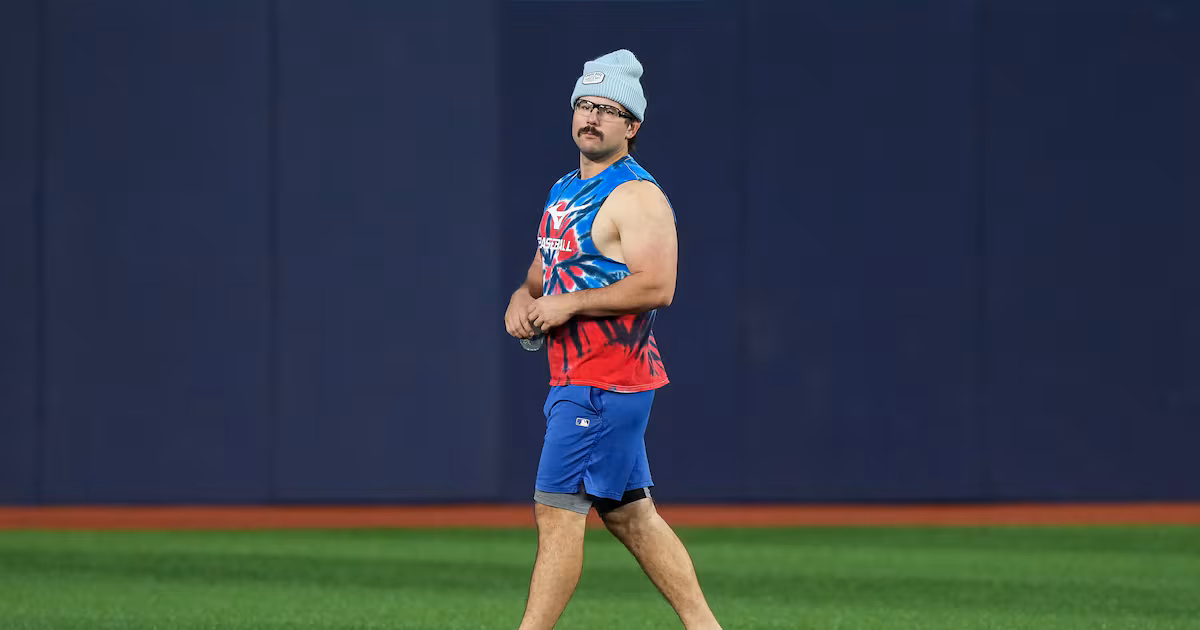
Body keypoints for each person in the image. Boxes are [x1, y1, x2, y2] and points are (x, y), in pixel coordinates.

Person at [503, 49, 722, 630]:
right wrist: (522, 302)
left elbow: (659, 285)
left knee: (556, 516)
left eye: (608, 108)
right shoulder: (565, 188)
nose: (592, 117)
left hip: (604, 383)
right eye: (585, 105)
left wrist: (565, 304)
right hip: (582, 379)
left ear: (632, 126)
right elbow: (541, 273)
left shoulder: (637, 196)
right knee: (632, 518)